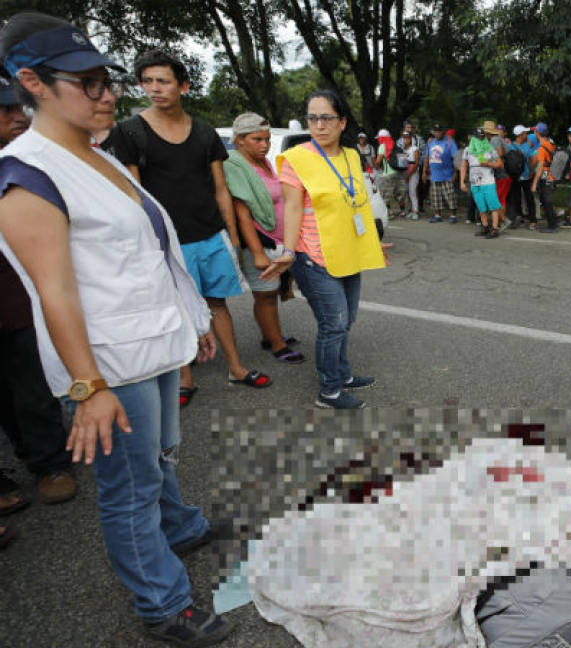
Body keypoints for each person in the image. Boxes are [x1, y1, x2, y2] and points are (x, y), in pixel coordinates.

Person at [0, 12, 233, 644]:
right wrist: (88, 387)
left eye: (108, 81)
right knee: (127, 487)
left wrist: (190, 323)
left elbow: (150, 255)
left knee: (157, 457)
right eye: (89, 83)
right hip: (106, 362)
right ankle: (160, 602)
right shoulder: (27, 174)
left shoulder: (98, 155)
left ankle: (180, 527)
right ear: (32, 82)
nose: (109, 95)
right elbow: (55, 291)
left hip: (152, 342)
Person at [103, 49, 271, 407]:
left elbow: (221, 190)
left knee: (218, 304)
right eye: (147, 81)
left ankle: (237, 368)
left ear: (184, 86)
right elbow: (136, 196)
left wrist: (233, 236)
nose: (154, 89)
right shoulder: (129, 132)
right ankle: (185, 379)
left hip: (210, 235)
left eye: (162, 81)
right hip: (167, 244)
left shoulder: (206, 133)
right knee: (176, 309)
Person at [261, 89, 387, 409]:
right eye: (313, 117)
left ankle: (342, 374)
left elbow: (355, 203)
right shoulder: (296, 158)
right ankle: (329, 391)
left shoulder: (351, 156)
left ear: (342, 122)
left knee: (347, 319)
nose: (319, 124)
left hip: (347, 251)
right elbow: (291, 209)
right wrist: (288, 251)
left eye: (326, 117)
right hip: (313, 255)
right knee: (333, 323)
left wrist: (371, 242)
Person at [0, 72, 76, 547]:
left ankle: (49, 461)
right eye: (5, 111)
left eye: (18, 108)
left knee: (28, 378)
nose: (15, 118)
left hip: (13, 297)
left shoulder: (26, 166)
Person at [222, 112, 304, 365]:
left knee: (271, 292)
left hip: (275, 239)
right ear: (240, 140)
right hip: (259, 241)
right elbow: (242, 213)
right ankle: (277, 345)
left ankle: (272, 335)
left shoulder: (262, 162)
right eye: (257, 139)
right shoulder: (234, 165)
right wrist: (257, 252)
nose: (265, 145)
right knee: (265, 295)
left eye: (267, 139)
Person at [460, 125, 504, 239]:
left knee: (493, 206)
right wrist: (462, 182)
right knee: (481, 207)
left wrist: (488, 164)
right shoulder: (467, 150)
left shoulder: (489, 148)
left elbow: (500, 163)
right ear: (472, 137)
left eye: (482, 137)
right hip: (475, 182)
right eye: (478, 137)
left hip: (488, 181)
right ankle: (485, 227)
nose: (480, 139)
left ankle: (495, 229)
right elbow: (464, 166)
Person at [423, 123, 458, 223]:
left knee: (450, 196)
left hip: (447, 174)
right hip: (434, 174)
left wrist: (456, 173)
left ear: (442, 132)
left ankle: (453, 216)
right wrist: (424, 172)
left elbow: (455, 158)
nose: (437, 133)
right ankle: (437, 215)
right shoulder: (431, 142)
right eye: (435, 131)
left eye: (439, 131)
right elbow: (427, 157)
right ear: (433, 132)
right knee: (435, 196)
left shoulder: (449, 142)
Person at [530, 122, 559, 233]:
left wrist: (534, 183)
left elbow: (540, 167)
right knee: (547, 201)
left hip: (546, 178)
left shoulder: (542, 149)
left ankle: (552, 226)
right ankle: (553, 223)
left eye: (535, 131)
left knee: (546, 202)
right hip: (552, 177)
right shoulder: (551, 144)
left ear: (537, 133)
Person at [508, 124, 538, 230]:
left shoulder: (509, 145)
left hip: (514, 176)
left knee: (516, 198)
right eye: (525, 133)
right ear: (520, 135)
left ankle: (518, 217)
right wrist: (531, 171)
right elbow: (534, 159)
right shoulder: (527, 146)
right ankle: (533, 221)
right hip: (525, 176)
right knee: (529, 198)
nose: (527, 135)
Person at [398, 131, 421, 220]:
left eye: (407, 138)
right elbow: (402, 163)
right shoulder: (402, 150)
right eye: (404, 138)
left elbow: (416, 163)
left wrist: (409, 174)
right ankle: (411, 210)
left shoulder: (415, 149)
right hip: (405, 173)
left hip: (413, 174)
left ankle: (416, 211)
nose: (405, 140)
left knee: (413, 192)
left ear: (410, 139)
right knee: (407, 193)